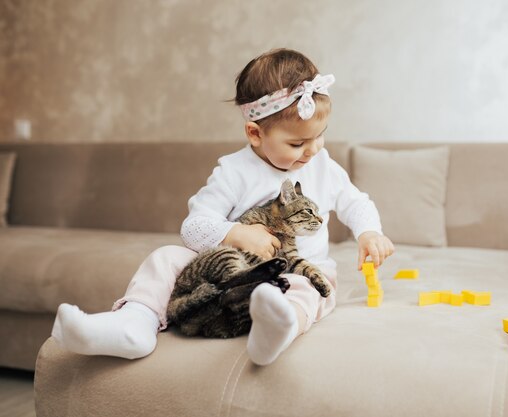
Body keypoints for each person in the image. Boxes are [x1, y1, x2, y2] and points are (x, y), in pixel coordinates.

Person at [51, 48, 394, 366]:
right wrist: (235, 232)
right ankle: (134, 323)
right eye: (297, 142)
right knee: (166, 258)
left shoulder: (323, 166)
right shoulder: (234, 171)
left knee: (313, 289)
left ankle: (276, 329)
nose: (313, 149)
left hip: (299, 270)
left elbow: (355, 202)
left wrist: (369, 232)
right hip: (230, 274)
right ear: (255, 133)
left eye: (320, 136)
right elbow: (193, 228)